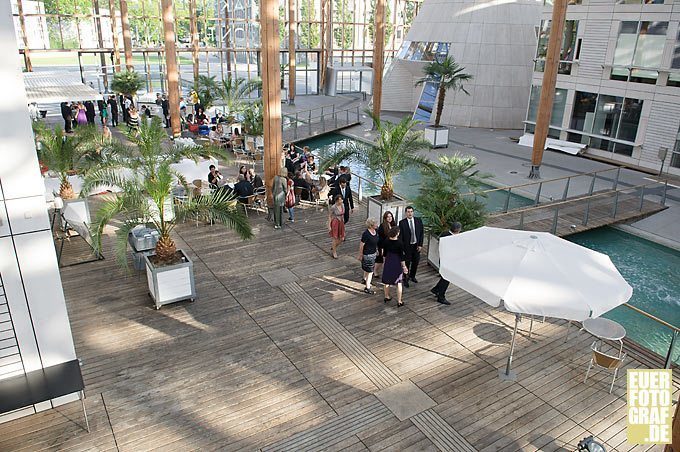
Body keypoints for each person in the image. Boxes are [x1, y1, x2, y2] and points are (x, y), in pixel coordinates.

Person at [430, 222, 462, 305]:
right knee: (447, 278)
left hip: (444, 260)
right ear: (457, 230)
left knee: (445, 277)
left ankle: (436, 289)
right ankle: (441, 296)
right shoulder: (451, 238)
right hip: (448, 261)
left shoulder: (444, 234)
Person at [398, 206, 424, 288]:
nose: (410, 213)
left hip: (416, 246)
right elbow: (400, 237)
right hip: (407, 247)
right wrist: (402, 248)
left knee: (416, 262)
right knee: (407, 263)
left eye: (411, 211)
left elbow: (421, 233)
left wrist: (420, 245)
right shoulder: (402, 223)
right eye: (408, 212)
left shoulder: (418, 221)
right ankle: (406, 279)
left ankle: (412, 276)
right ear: (406, 213)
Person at [382, 226, 407, 307]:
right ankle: (399, 301)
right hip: (396, 262)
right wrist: (404, 267)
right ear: (397, 233)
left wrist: (385, 262)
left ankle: (386, 296)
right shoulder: (400, 243)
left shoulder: (386, 241)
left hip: (388, 261)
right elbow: (402, 257)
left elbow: (384, 253)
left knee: (386, 281)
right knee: (399, 282)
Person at [359, 218, 380, 294]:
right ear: (371, 225)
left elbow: (375, 242)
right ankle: (367, 287)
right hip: (367, 254)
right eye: (376, 224)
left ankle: (364, 279)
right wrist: (360, 255)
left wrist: (376, 249)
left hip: (373, 253)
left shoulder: (376, 231)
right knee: (370, 271)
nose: (377, 225)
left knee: (367, 269)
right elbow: (362, 244)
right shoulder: (366, 234)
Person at [376, 211, 396, 278]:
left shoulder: (394, 225)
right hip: (384, 246)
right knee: (382, 261)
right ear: (385, 218)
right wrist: (381, 248)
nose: (390, 218)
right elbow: (380, 239)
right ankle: (377, 271)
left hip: (392, 246)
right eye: (388, 217)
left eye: (391, 216)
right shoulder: (382, 226)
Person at [328, 194, 345, 259]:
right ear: (337, 201)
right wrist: (329, 226)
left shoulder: (343, 205)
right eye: (341, 200)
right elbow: (329, 216)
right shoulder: (333, 207)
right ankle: (334, 252)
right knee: (335, 238)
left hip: (341, 222)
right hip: (335, 222)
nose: (342, 201)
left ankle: (334, 246)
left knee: (342, 238)